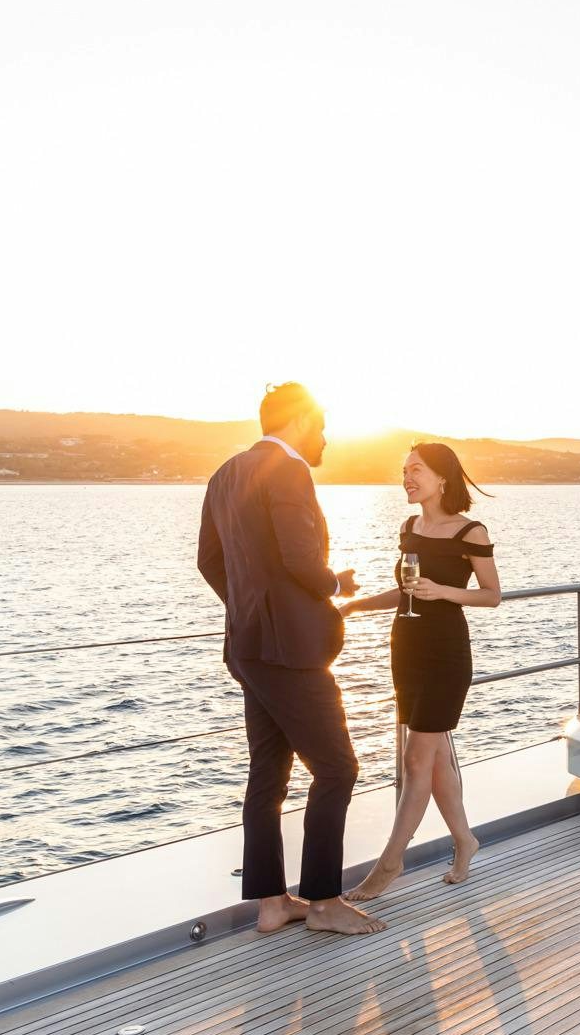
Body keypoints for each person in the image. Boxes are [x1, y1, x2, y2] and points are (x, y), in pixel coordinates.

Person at [196, 382, 386, 936]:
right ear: (301, 421)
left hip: (248, 647)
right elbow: (302, 560)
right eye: (322, 425)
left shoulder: (225, 474)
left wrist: (250, 606)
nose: (325, 438)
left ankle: (272, 903)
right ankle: (324, 902)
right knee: (337, 768)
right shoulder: (288, 470)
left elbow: (209, 561)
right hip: (291, 651)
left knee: (269, 773)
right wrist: (335, 581)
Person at [341, 442, 500, 897]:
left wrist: (443, 591)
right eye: (404, 470)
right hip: (405, 646)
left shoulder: (470, 531)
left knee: (416, 757)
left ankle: (390, 864)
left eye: (416, 470)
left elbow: (491, 594)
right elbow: (405, 593)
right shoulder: (409, 526)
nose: (407, 478)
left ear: (442, 477)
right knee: (434, 758)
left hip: (445, 652)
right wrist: (354, 606)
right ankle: (465, 841)